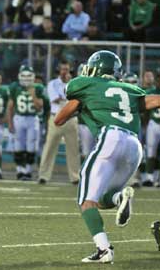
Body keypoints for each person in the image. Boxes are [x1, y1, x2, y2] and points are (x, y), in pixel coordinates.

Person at [55, 50, 160, 263]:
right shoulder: (131, 88)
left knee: (86, 201)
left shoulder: (86, 85)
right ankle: (119, 197)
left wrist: (82, 105)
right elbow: (152, 101)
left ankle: (104, 250)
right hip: (134, 147)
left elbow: (59, 119)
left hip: (110, 139)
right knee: (102, 199)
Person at [38, 61, 80, 184]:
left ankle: (75, 177)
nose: (64, 72)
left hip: (71, 119)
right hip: (56, 118)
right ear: (58, 70)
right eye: (62, 69)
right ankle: (44, 175)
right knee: (49, 147)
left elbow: (78, 99)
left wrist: (69, 89)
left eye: (66, 69)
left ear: (70, 70)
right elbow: (55, 99)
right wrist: (70, 101)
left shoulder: (74, 84)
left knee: (73, 149)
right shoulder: (52, 84)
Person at [7, 66, 44, 180]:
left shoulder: (38, 87)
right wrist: (10, 123)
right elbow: (10, 107)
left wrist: (33, 94)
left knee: (31, 146)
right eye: (24, 76)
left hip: (32, 118)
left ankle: (27, 170)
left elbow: (39, 108)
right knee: (18, 146)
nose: (27, 79)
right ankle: (19, 170)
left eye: (29, 76)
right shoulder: (15, 87)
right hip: (19, 118)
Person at [145, 76, 160, 186]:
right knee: (151, 151)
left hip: (153, 122)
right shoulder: (150, 92)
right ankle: (150, 178)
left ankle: (157, 178)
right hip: (153, 123)